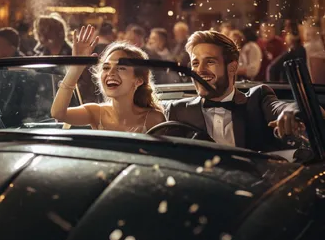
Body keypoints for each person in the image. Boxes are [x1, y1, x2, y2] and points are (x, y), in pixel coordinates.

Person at [165, 30, 316, 152]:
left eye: (210, 61)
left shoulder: (258, 98)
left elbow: (282, 107)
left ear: (232, 67)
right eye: (195, 63)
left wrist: (292, 111)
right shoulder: (178, 110)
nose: (200, 70)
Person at [51, 25, 165, 132]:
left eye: (121, 68)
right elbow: (58, 113)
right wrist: (76, 68)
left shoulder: (154, 119)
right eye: (106, 67)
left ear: (138, 81)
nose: (111, 72)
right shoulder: (96, 113)